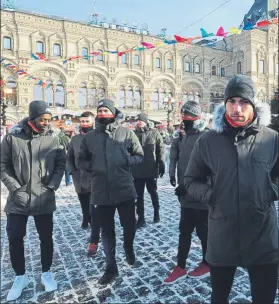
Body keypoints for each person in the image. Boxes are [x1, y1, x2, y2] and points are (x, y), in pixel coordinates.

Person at [184, 75, 279, 304]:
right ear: (224, 104)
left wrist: (269, 191)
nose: (237, 108)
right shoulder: (208, 141)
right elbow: (190, 179)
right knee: (219, 298)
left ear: (254, 104)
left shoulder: (272, 139)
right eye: (232, 101)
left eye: (244, 101)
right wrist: (212, 195)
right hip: (222, 236)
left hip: (263, 238)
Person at [0, 100, 66, 301]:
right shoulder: (12, 138)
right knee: (14, 237)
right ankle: (21, 277)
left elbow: (61, 164)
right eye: (42, 119)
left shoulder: (54, 139)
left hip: (44, 197)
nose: (46, 123)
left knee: (46, 237)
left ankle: (46, 272)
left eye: (48, 119)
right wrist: (15, 188)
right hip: (18, 200)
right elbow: (3, 165)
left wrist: (52, 185)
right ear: (32, 118)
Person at [78, 99, 143, 285]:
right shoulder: (90, 137)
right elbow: (81, 159)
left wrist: (125, 161)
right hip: (100, 190)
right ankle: (111, 267)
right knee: (107, 231)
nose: (103, 113)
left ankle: (129, 247)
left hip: (124, 188)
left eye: (107, 110)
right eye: (100, 110)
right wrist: (92, 167)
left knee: (129, 225)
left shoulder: (126, 133)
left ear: (114, 113)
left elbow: (139, 155)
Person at [164, 99, 210, 284]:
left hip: (202, 195)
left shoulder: (207, 137)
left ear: (198, 116)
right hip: (185, 195)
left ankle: (207, 262)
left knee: (203, 232)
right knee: (184, 231)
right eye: (184, 115)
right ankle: (180, 266)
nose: (186, 118)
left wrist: (191, 184)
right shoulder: (181, 136)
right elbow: (175, 158)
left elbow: (211, 168)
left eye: (190, 115)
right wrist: (174, 176)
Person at [67, 111, 101, 257]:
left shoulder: (99, 137)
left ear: (93, 122)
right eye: (82, 121)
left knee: (94, 206)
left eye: (87, 121)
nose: (84, 123)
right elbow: (68, 156)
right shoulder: (74, 139)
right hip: (79, 177)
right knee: (83, 201)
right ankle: (85, 218)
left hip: (94, 177)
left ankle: (94, 231)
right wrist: (72, 171)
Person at [131, 113, 165, 228]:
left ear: (146, 121)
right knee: (138, 196)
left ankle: (156, 213)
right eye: (138, 120)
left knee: (153, 193)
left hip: (151, 168)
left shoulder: (154, 133)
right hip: (137, 170)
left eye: (141, 120)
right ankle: (141, 218)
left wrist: (161, 164)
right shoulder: (133, 134)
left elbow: (160, 150)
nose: (139, 122)